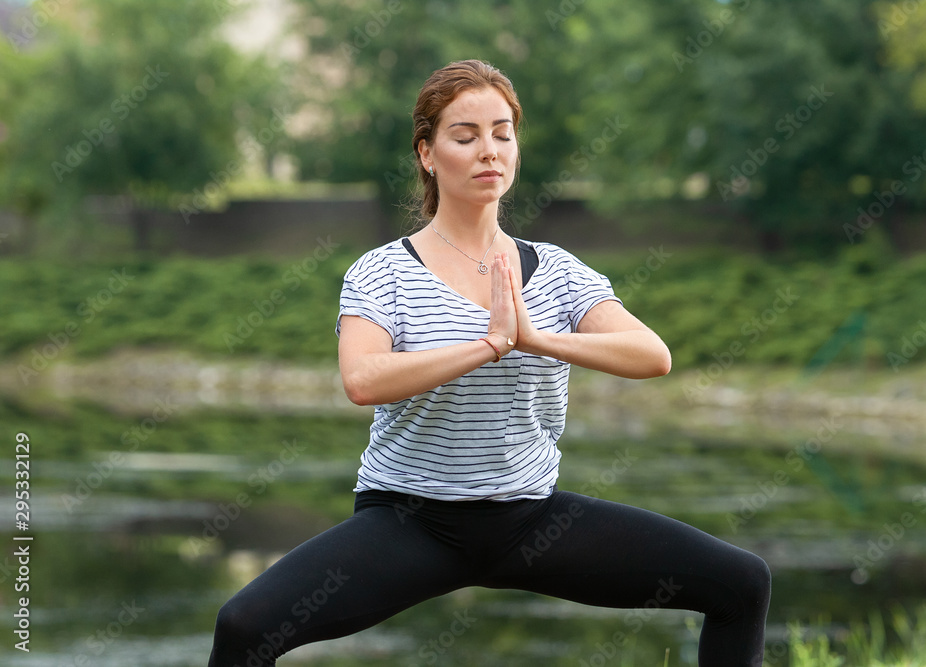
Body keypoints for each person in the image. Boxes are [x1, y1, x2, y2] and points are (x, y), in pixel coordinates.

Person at [208, 59, 770, 667]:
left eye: (503, 133)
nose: (489, 151)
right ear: (427, 153)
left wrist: (535, 338)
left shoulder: (556, 270)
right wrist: (487, 346)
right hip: (411, 521)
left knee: (742, 584)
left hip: (531, 523)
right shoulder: (382, 272)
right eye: (465, 135)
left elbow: (651, 355)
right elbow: (362, 380)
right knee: (242, 627)